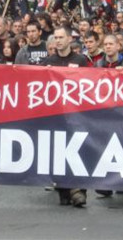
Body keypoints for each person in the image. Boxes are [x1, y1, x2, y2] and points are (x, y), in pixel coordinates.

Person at [44, 26, 91, 207]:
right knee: (58, 154)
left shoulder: (81, 60)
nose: (58, 40)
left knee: (77, 152)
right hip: (56, 116)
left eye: (61, 37)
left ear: (70, 39)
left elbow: (92, 83)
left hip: (76, 115)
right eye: (55, 37)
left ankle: (79, 190)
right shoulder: (49, 61)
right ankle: (64, 190)